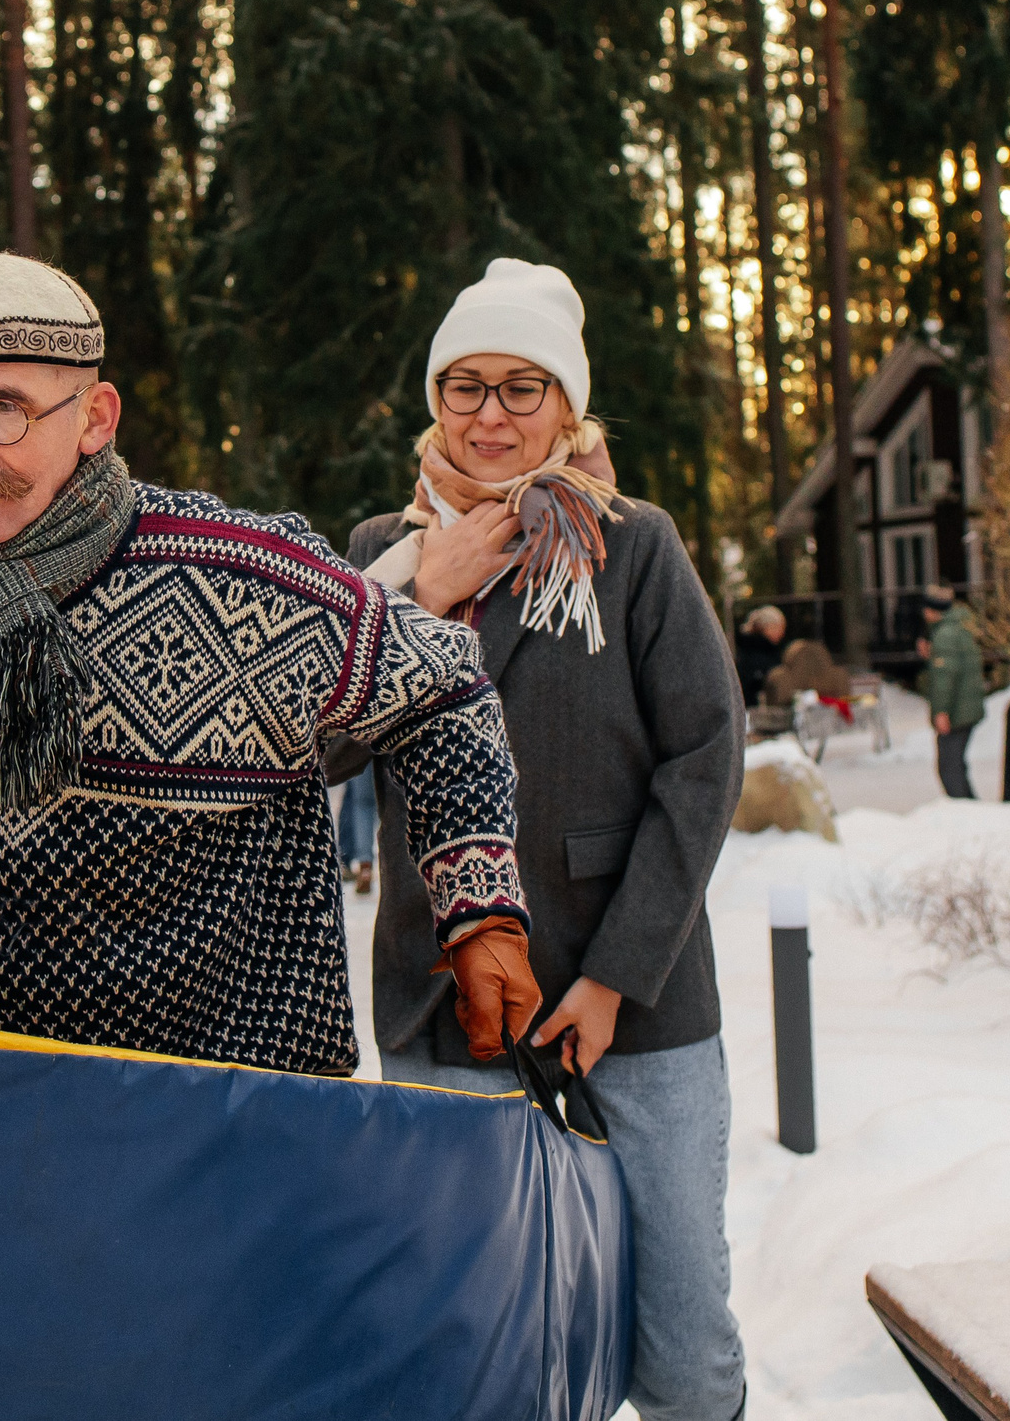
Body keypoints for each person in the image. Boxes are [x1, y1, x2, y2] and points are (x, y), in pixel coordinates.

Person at [0, 252, 540, 1076]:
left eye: (6, 409)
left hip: (238, 1097)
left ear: (95, 417)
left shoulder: (244, 580)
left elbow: (440, 690)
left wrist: (480, 912)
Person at [345, 258, 749, 1421]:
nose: (490, 415)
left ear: (567, 404)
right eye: (464, 385)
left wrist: (616, 977)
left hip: (636, 998)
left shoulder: (634, 546)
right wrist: (415, 598)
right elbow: (312, 748)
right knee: (480, 1343)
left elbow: (704, 756)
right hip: (447, 1000)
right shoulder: (381, 549)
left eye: (522, 386)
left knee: (682, 1353)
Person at [921, 584, 984, 798]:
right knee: (956, 765)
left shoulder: (945, 635)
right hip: (966, 707)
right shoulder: (960, 627)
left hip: (957, 711)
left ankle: (966, 810)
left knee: (949, 768)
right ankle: (970, 807)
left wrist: (941, 711)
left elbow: (944, 677)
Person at [734, 605, 787, 707]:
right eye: (779, 627)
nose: (782, 633)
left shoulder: (745, 650)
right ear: (767, 627)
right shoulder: (756, 655)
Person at [336, 766, 378, 895]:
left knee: (363, 804)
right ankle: (395, 869)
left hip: (362, 755)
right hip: (389, 755)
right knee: (390, 805)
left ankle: (365, 867)